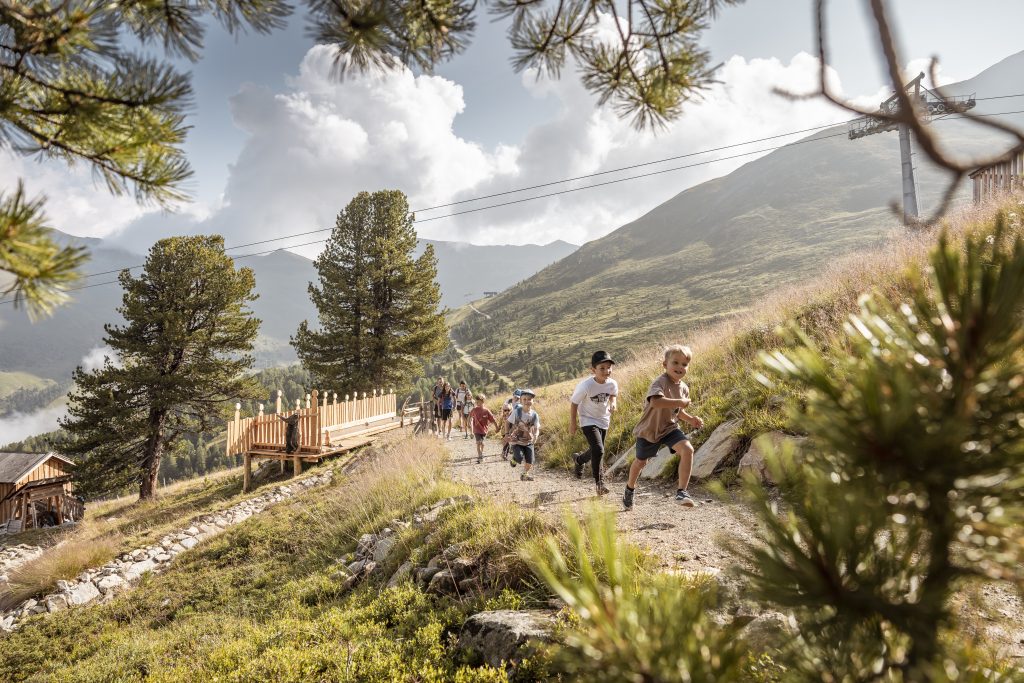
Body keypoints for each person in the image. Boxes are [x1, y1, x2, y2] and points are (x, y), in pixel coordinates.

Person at [623, 345, 703, 510]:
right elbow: (656, 402)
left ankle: (682, 492)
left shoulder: (684, 388)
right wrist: (680, 402)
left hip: (669, 428)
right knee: (641, 462)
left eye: (684, 364)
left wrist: (691, 419)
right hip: (649, 430)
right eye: (675, 362)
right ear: (665, 365)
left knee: (687, 450)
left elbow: (678, 412)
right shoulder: (660, 382)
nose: (680, 367)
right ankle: (629, 489)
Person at [570, 350, 619, 495]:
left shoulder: (612, 384)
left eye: (609, 367)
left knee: (595, 449)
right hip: (587, 419)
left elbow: (613, 395)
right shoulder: (586, 386)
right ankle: (600, 483)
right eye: (602, 368)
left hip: (603, 419)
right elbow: (574, 403)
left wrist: (613, 403)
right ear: (593, 370)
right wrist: (573, 423)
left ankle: (579, 460)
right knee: (599, 450)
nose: (606, 371)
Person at [506, 389, 540, 481]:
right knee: (519, 457)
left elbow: (537, 428)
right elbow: (507, 422)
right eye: (524, 399)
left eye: (529, 399)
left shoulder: (534, 415)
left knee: (530, 461)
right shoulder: (517, 412)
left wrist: (536, 435)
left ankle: (524, 474)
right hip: (516, 441)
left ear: (533, 401)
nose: (527, 401)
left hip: (529, 441)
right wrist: (507, 434)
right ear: (520, 400)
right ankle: (514, 459)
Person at [469, 394, 498, 463]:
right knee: (478, 442)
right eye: (476, 402)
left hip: (484, 430)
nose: (477, 403)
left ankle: (481, 453)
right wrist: (469, 423)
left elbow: (493, 420)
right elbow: (470, 416)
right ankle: (480, 456)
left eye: (478, 402)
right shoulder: (474, 410)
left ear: (482, 402)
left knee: (482, 443)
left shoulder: (486, 411)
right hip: (476, 430)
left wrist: (497, 427)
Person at [500, 389, 522, 460]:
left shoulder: (520, 404)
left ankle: (511, 451)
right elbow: (503, 409)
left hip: (514, 423)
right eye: (515, 397)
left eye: (518, 397)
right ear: (513, 396)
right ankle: (504, 453)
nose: (516, 398)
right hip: (507, 421)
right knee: (507, 438)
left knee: (512, 437)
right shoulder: (508, 401)